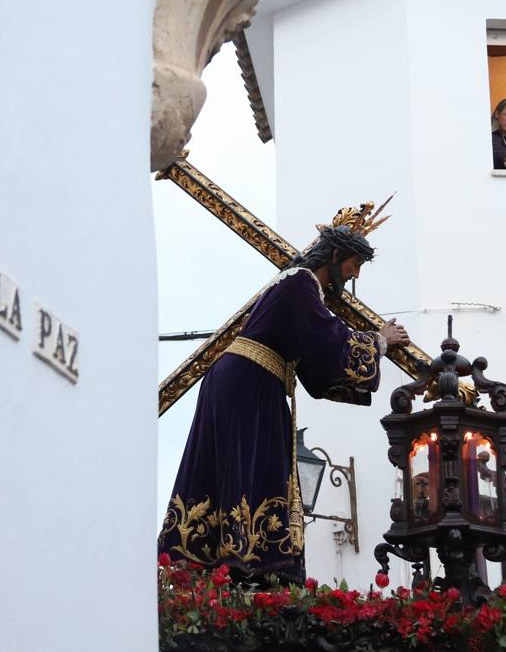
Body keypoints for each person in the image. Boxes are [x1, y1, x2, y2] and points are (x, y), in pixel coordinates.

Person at [158, 204, 409, 583]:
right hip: (249, 382)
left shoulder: (296, 287)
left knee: (234, 467)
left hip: (243, 380)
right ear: (336, 255)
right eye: (354, 264)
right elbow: (329, 342)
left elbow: (316, 367)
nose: (355, 274)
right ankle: (248, 560)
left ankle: (224, 559)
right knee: (252, 467)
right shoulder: (301, 282)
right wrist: (380, 341)